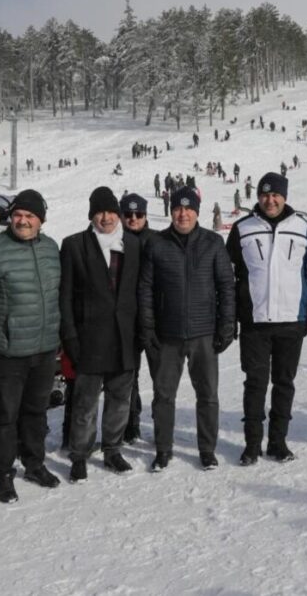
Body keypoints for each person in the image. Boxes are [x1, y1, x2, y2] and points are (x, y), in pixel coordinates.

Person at [0, 189, 62, 503]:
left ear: (40, 220)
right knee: (5, 416)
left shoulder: (50, 248)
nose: (22, 221)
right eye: (18, 215)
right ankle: (4, 474)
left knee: (36, 411)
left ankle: (34, 464)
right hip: (7, 350)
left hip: (44, 347)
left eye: (29, 216)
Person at [138, 186, 235, 472]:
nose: (183, 214)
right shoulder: (156, 244)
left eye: (188, 208)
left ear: (197, 212)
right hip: (167, 335)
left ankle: (207, 450)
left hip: (204, 333)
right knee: (163, 395)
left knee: (207, 394)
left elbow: (226, 286)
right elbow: (145, 289)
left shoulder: (213, 242)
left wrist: (227, 324)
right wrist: (148, 327)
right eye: (178, 209)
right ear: (171, 212)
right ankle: (163, 449)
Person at [227, 173, 307, 465]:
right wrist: (233, 313)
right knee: (255, 383)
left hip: (291, 320)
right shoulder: (243, 228)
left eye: (276, 194)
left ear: (285, 196)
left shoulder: (301, 227)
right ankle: (253, 444)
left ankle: (278, 442)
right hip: (255, 322)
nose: (270, 200)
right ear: (258, 197)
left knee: (284, 382)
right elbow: (229, 274)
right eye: (265, 195)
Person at [60, 187, 141, 483]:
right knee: (85, 403)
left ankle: (112, 449)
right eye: (99, 212)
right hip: (89, 339)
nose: (105, 218)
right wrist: (69, 337)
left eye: (110, 211)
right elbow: (65, 296)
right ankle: (80, 454)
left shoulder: (133, 244)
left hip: (125, 338)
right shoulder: (74, 245)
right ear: (91, 214)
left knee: (120, 399)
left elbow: (140, 292)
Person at [118, 193, 154, 443]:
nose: (133, 219)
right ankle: (131, 422)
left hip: (153, 318)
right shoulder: (114, 241)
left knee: (162, 376)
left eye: (138, 214)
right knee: (129, 374)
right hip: (127, 319)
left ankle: (163, 425)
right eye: (128, 214)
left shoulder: (157, 241)